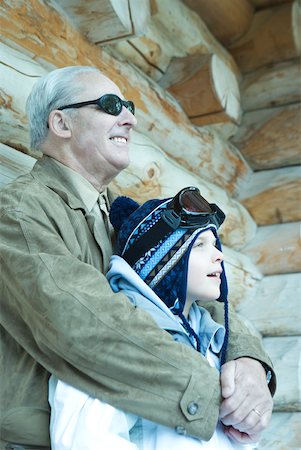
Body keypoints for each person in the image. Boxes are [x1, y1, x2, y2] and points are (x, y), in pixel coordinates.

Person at [0, 66, 275, 450]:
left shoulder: (123, 215)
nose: (129, 118)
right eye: (111, 105)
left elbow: (183, 291)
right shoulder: (18, 212)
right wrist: (213, 389)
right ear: (61, 123)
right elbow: (80, 321)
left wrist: (247, 361)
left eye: (129, 106)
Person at [48, 187, 273, 450]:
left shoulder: (213, 341)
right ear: (162, 262)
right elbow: (85, 440)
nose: (219, 256)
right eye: (200, 245)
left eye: (215, 244)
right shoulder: (118, 338)